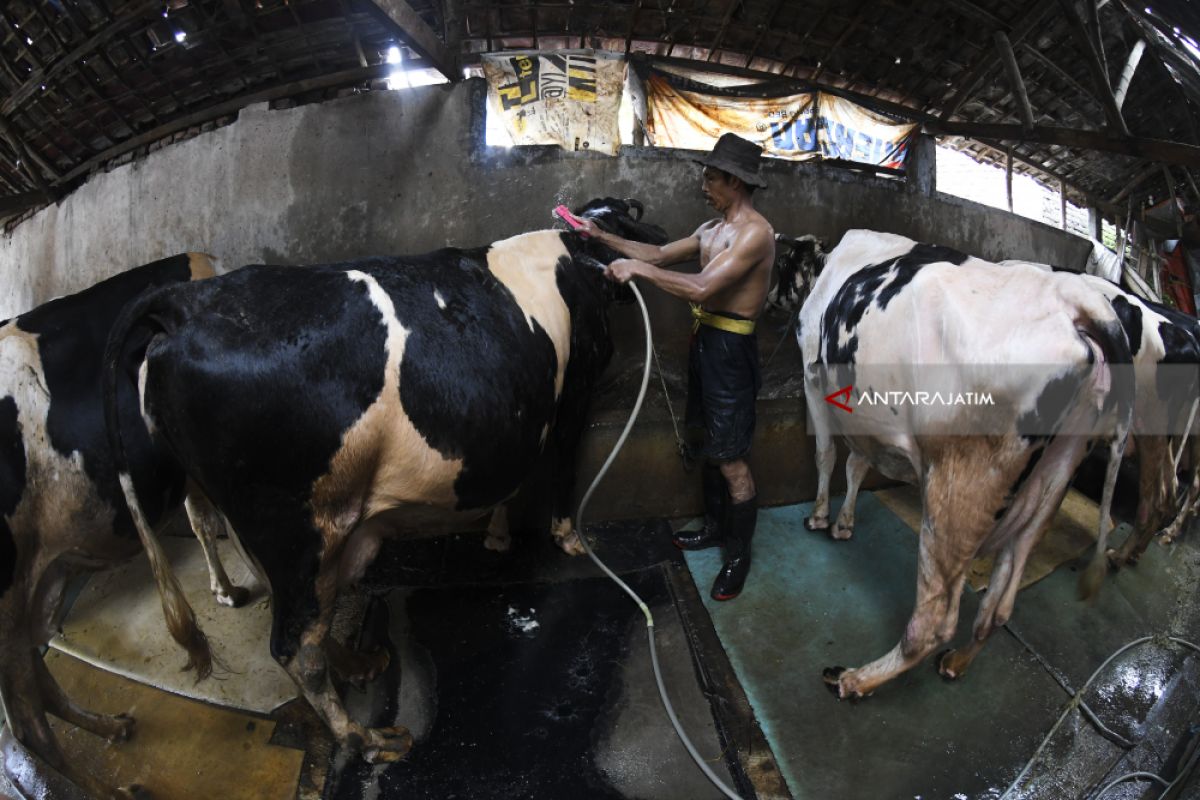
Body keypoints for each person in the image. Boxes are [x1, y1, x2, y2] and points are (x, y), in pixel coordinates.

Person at [578, 133, 775, 601]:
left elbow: (705, 287)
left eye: (711, 177)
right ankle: (712, 527)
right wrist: (602, 237)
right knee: (708, 441)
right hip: (705, 341)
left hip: (731, 348)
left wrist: (639, 274)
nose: (703, 184)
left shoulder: (755, 233)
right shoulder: (711, 228)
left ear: (735, 180)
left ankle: (738, 554)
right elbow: (659, 255)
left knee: (730, 457)